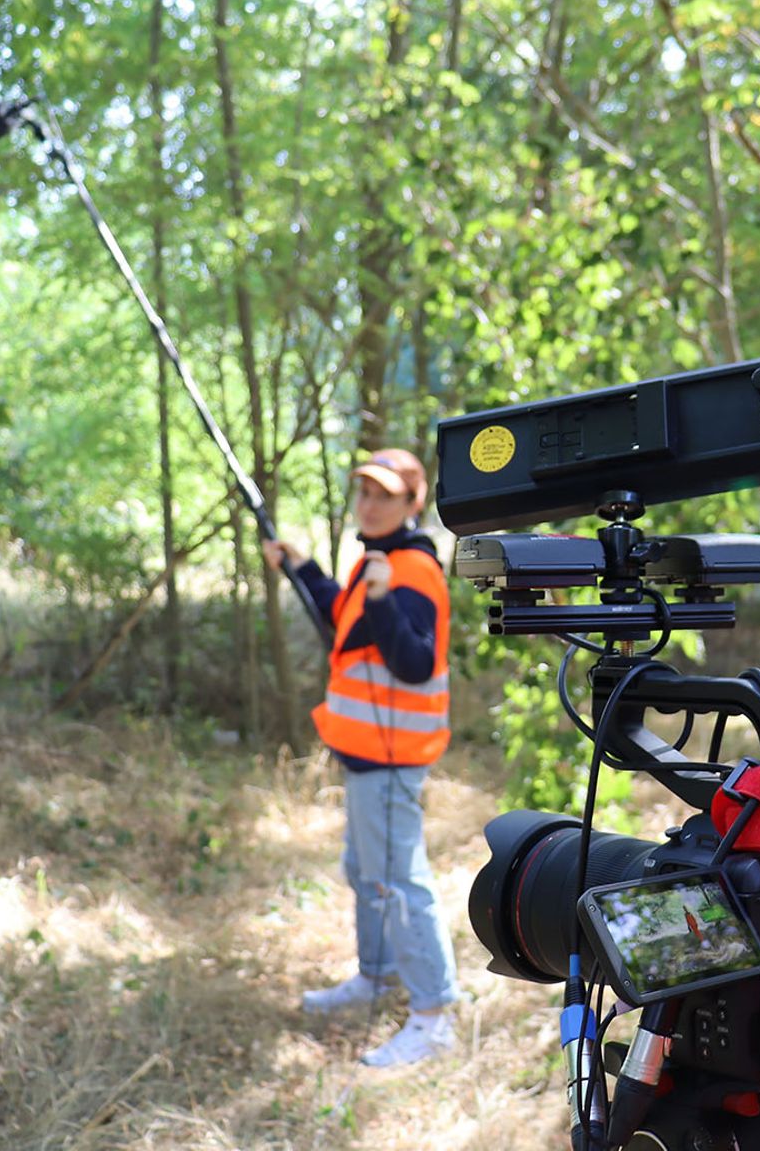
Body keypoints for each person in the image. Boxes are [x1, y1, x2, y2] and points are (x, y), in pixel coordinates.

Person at [263, 447, 464, 1068]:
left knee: (399, 880)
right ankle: (377, 976)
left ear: (413, 504)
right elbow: (340, 619)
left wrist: (378, 597)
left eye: (384, 494)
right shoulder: (377, 565)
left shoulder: (413, 571)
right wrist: (302, 567)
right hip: (365, 751)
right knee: (364, 868)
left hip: (391, 753)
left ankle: (433, 1016)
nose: (369, 503)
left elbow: (413, 660)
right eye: (364, 492)